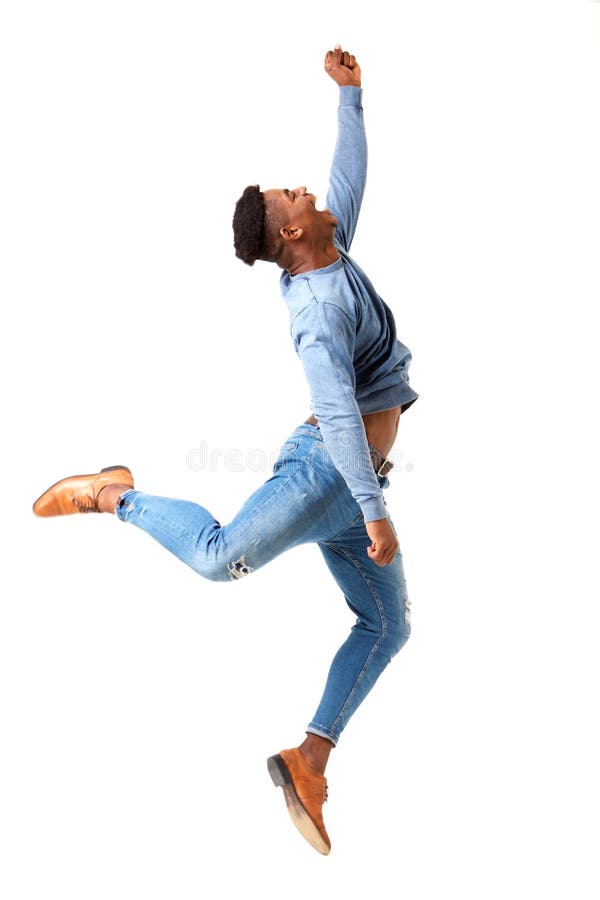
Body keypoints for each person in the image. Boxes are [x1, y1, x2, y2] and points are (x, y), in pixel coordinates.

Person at [32, 45, 419, 856]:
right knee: (217, 560)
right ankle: (111, 494)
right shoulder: (314, 309)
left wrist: (351, 99)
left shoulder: (329, 242)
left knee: (386, 626)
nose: (308, 188)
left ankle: (309, 762)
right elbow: (340, 415)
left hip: (355, 485)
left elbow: (346, 181)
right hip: (329, 476)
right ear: (289, 229)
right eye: (295, 192)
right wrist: (374, 508)